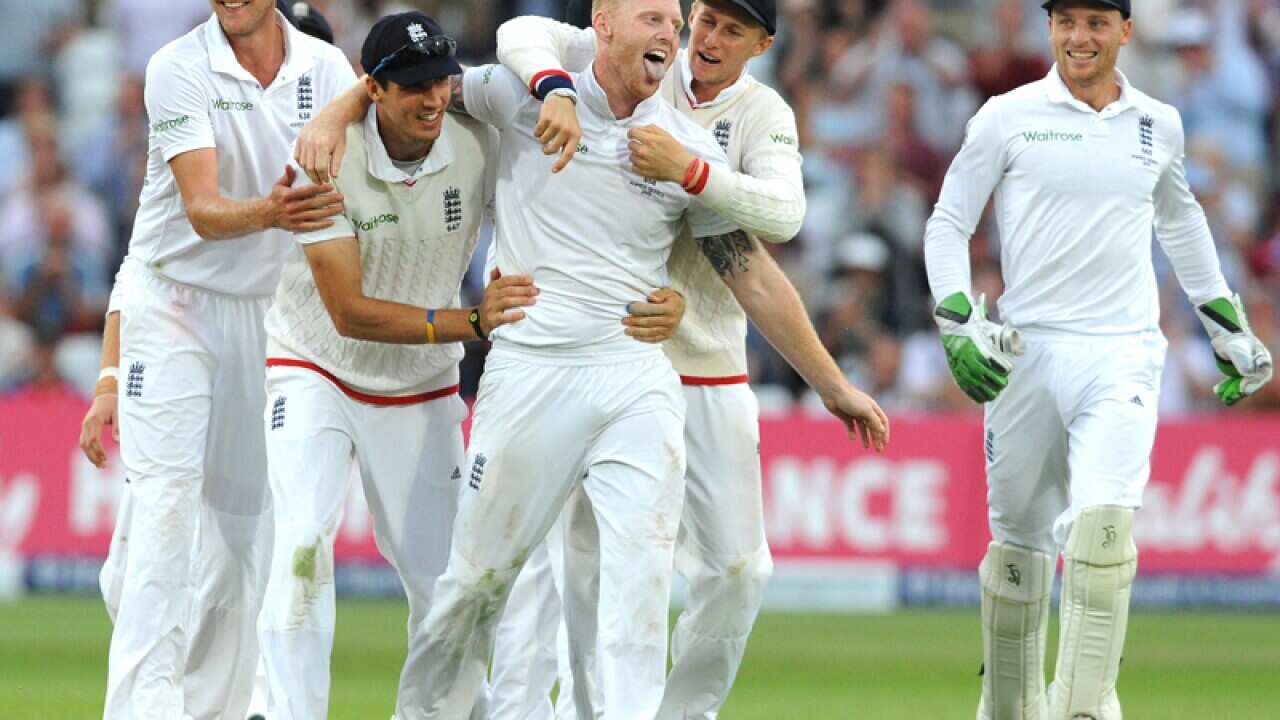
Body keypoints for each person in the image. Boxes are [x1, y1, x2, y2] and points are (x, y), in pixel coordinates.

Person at [485, 1, 887, 717]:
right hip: (607, 359)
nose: (705, 39)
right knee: (591, 568)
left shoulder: (762, 115)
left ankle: (680, 711)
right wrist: (552, 86)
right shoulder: (640, 62)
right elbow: (521, 34)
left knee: (739, 569)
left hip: (708, 366)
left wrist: (830, 383)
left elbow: (773, 233)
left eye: (732, 30)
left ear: (762, 44)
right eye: (703, 20)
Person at [922, 1, 1273, 719]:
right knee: (1017, 554)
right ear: (1050, 29)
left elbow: (1182, 222)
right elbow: (949, 220)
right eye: (1066, 21)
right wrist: (956, 319)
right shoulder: (1007, 114)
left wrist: (1227, 326)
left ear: (1125, 30)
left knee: (1102, 531)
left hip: (1122, 352)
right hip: (1027, 354)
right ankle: (1011, 708)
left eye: (1095, 22)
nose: (1079, 37)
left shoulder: (1158, 123)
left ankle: (1080, 709)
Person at [253, 11, 538, 719]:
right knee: (301, 551)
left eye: (441, 81)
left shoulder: (479, 138)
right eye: (412, 86)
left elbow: (536, 84)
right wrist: (470, 322)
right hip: (317, 363)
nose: (433, 99)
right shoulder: (321, 159)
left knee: (445, 583)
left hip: (421, 380)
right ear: (374, 90)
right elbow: (349, 310)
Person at [85, 1, 357, 717]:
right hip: (174, 304)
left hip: (261, 318)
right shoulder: (177, 68)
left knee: (240, 545)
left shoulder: (325, 69)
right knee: (164, 516)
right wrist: (272, 213)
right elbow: (202, 210)